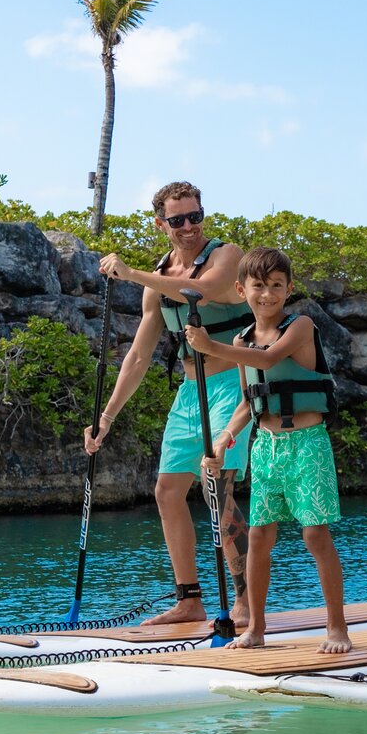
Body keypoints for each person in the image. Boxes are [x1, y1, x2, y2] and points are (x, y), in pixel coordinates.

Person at [83, 182, 253, 626]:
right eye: (177, 220)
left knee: (218, 484)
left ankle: (246, 600)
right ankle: (189, 599)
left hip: (233, 387)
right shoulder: (157, 282)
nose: (189, 226)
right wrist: (105, 419)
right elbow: (138, 356)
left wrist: (133, 273)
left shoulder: (226, 255)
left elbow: (203, 289)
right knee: (167, 491)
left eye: (195, 216)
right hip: (188, 393)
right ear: (161, 224)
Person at [192, 247, 349, 653]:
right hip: (267, 449)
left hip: (308, 446)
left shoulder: (299, 327)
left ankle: (337, 629)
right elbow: (249, 401)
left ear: (288, 289)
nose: (267, 295)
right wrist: (224, 439)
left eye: (276, 286)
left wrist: (211, 348)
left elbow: (271, 357)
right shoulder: (242, 339)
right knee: (259, 538)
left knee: (315, 535)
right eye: (258, 286)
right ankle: (256, 629)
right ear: (242, 289)